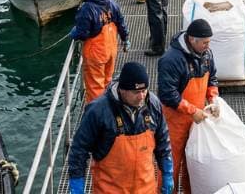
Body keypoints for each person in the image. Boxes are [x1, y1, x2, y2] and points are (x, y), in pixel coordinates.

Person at [67, 61, 174, 194]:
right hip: (110, 190)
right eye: (136, 92)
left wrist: (167, 173)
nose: (141, 96)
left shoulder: (153, 104)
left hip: (146, 188)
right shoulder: (98, 111)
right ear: (122, 90)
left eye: (144, 90)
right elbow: (79, 149)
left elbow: (163, 141)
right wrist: (77, 183)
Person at [158, 19, 220, 194]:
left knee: (193, 164)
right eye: (205, 42)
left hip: (197, 120)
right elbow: (167, 94)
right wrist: (192, 111)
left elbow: (212, 78)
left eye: (209, 42)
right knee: (171, 165)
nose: (208, 46)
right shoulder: (171, 60)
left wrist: (213, 99)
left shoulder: (207, 54)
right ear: (192, 40)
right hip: (174, 123)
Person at [69, 0, 130, 102]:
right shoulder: (112, 3)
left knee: (95, 87)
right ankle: (109, 104)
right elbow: (121, 23)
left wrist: (74, 33)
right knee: (108, 81)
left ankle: (97, 111)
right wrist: (125, 39)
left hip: (96, 53)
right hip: (111, 49)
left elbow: (83, 33)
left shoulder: (87, 9)